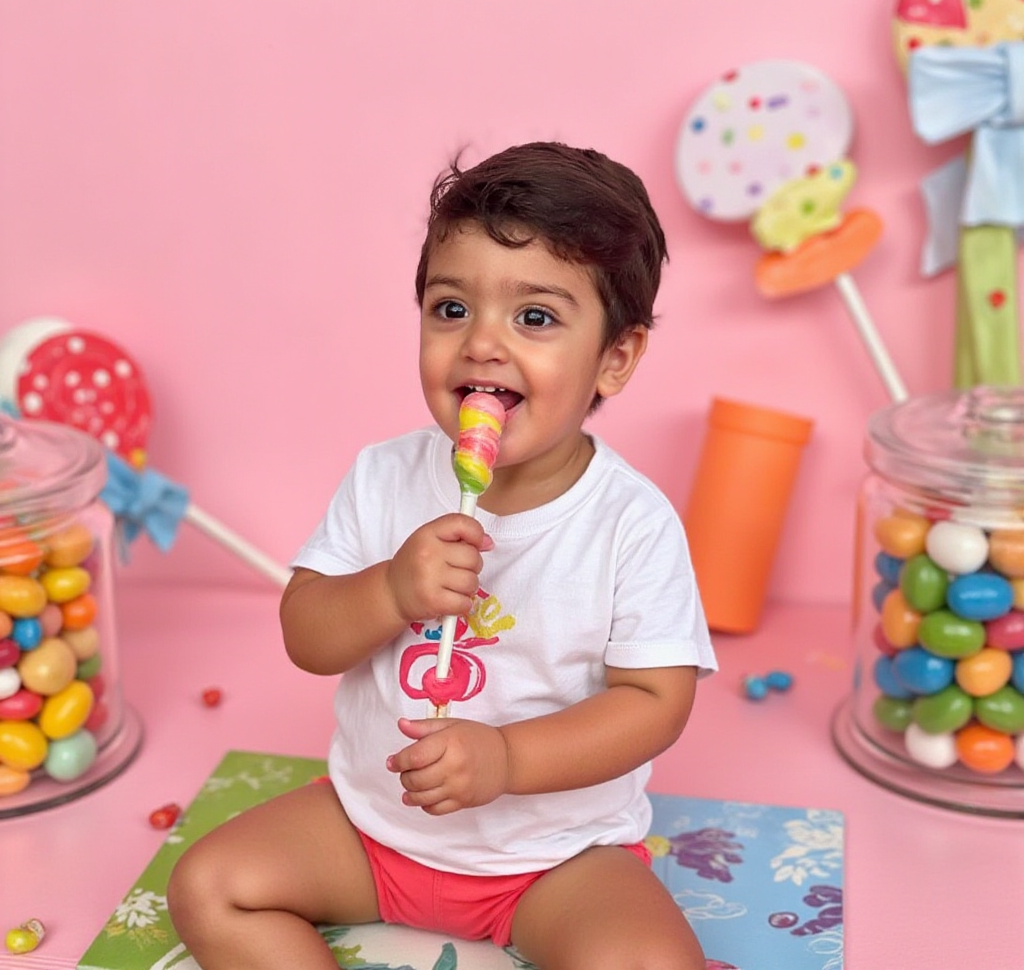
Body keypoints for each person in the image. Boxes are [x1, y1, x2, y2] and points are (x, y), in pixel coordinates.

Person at [167, 141, 717, 970]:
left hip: (553, 861)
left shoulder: (630, 522)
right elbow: (306, 636)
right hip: (370, 829)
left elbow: (655, 702)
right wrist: (389, 590)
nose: (481, 345)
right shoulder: (386, 476)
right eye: (451, 309)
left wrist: (507, 758)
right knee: (208, 887)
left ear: (616, 358)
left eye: (534, 318)